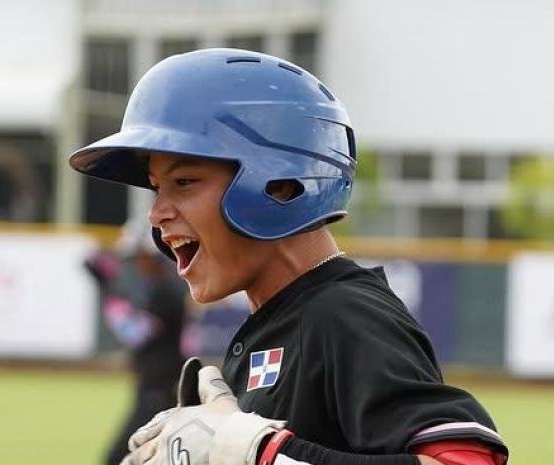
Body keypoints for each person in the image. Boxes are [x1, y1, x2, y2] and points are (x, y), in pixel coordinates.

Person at [70, 49, 508, 465]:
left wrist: (259, 452)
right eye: (156, 188)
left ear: (279, 185)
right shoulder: (278, 320)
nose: (157, 213)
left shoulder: (345, 314)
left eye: (184, 181)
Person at [85, 220, 188, 465]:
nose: (137, 265)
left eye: (140, 257)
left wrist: (109, 296)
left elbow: (136, 334)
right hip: (156, 385)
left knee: (118, 458)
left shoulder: (166, 291)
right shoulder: (158, 288)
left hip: (160, 388)